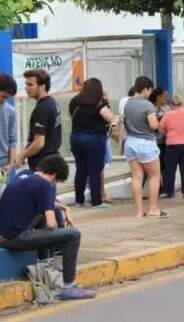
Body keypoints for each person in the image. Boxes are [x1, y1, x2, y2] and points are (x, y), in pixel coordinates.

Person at [0, 155, 95, 300]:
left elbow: (45, 202)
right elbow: (51, 224)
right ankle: (68, 286)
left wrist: (64, 208)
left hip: (4, 236)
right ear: (55, 176)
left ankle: (45, 264)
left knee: (42, 212)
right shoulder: (44, 185)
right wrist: (60, 228)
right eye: (56, 181)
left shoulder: (24, 176)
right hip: (16, 238)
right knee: (73, 235)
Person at [123, 76, 166, 218]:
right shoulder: (147, 105)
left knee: (136, 177)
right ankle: (153, 208)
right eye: (150, 90)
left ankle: (139, 211)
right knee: (154, 175)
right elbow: (154, 125)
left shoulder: (127, 103)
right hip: (146, 143)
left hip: (130, 142)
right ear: (146, 89)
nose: (150, 93)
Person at [69, 78, 115, 208]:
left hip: (76, 138)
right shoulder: (99, 103)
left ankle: (79, 201)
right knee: (95, 169)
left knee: (81, 169)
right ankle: (96, 201)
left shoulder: (75, 102)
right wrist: (106, 101)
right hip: (94, 138)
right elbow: (111, 118)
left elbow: (73, 117)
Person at [16, 69, 62, 172]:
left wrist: (21, 155)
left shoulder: (43, 108)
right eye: (26, 84)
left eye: (30, 85)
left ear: (42, 86)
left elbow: (39, 143)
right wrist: (26, 152)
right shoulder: (51, 102)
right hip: (50, 161)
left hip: (43, 164)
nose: (26, 88)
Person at [159, 92, 184, 199]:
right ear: (182, 103)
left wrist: (169, 134)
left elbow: (161, 129)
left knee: (170, 169)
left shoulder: (167, 115)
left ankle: (168, 191)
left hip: (172, 145)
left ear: (172, 104)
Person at [149, 87, 171, 191]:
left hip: (165, 141)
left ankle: (165, 187)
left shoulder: (167, 108)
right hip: (153, 141)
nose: (167, 98)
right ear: (158, 97)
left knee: (165, 165)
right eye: (165, 96)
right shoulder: (150, 108)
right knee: (155, 166)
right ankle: (158, 187)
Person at [0, 74, 17, 177]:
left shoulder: (10, 111)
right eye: (3, 96)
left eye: (7, 98)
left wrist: (10, 164)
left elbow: (12, 140)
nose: (4, 100)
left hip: (2, 165)